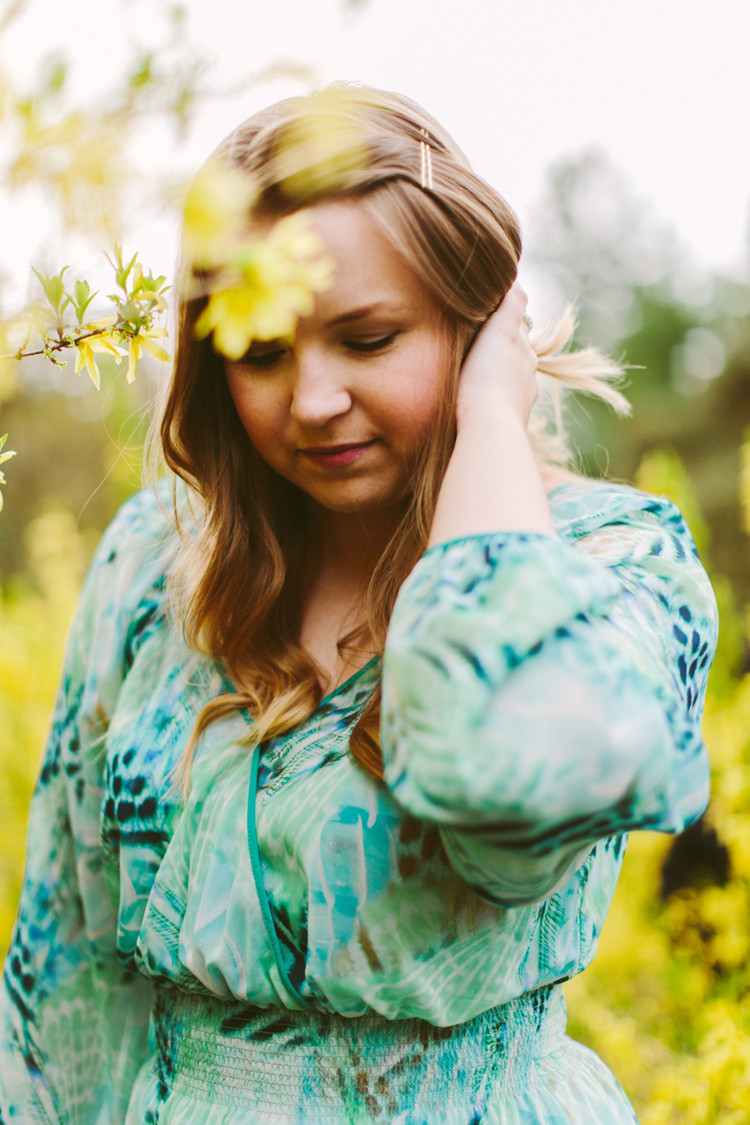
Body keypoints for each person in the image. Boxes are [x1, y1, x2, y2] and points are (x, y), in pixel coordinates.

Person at [0, 86, 717, 1124]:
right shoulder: (156, 566)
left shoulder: (614, 567)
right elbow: (64, 973)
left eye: (368, 338)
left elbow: (507, 762)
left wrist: (491, 424)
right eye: (262, 352)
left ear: (472, 326)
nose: (313, 400)